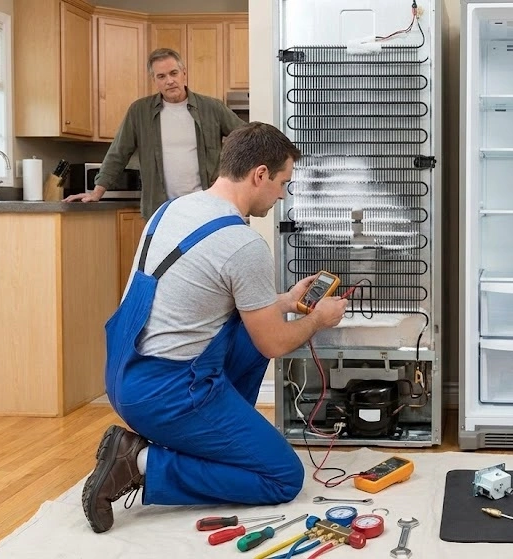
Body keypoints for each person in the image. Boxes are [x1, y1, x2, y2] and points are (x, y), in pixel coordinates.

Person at [81, 122, 349, 534]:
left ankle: (221, 437)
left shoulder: (172, 209)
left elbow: (199, 296)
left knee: (251, 332)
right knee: (282, 477)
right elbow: (275, 344)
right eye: (282, 183)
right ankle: (137, 461)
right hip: (168, 393)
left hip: (124, 373)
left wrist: (281, 301)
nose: (282, 195)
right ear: (260, 174)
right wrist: (318, 318)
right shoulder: (243, 244)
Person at [64, 47, 246, 219]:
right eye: (161, 76)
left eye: (173, 73)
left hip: (207, 208)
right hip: (160, 211)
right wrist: (96, 192)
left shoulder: (212, 108)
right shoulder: (139, 112)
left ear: (184, 73)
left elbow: (248, 139)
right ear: (154, 80)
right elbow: (118, 153)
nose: (169, 81)